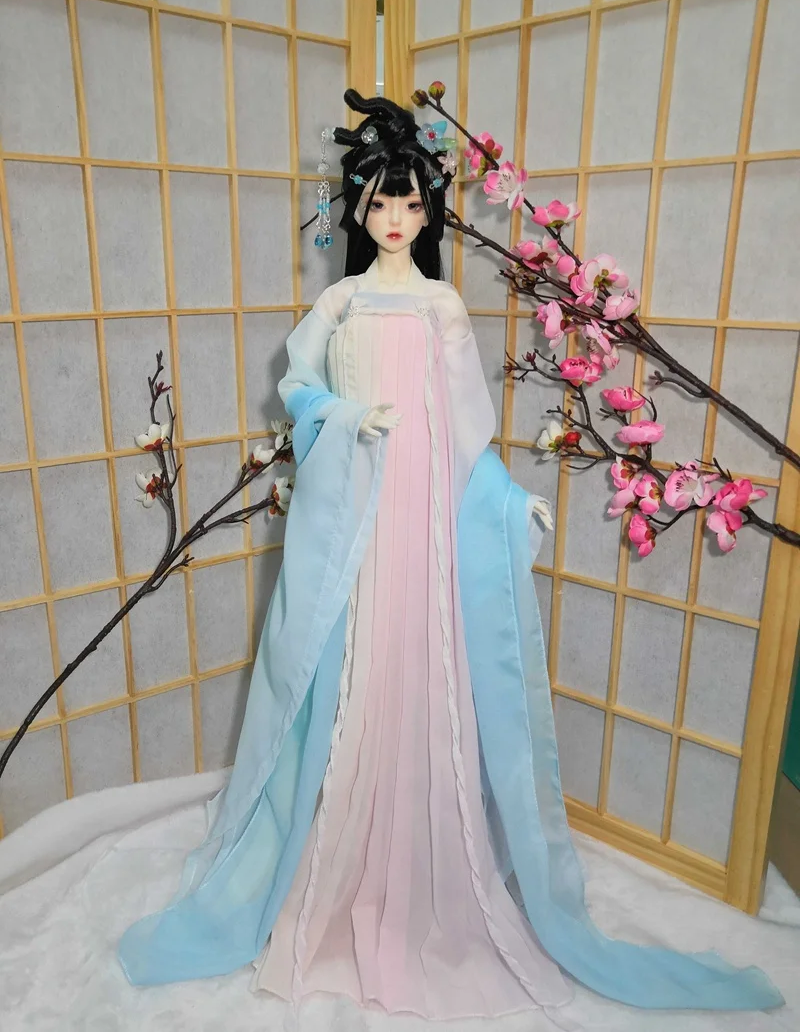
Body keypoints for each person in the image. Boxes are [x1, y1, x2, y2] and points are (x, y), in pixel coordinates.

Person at [117, 91, 783, 1027]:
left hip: (426, 515)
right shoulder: (339, 303)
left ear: (427, 210)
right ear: (357, 209)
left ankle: (430, 852)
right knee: (355, 671)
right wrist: (346, 416)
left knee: (427, 670)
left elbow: (470, 429)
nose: (395, 218)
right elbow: (300, 389)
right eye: (379, 202)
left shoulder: (441, 307)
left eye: (410, 202)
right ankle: (338, 846)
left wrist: (507, 502)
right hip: (360, 514)